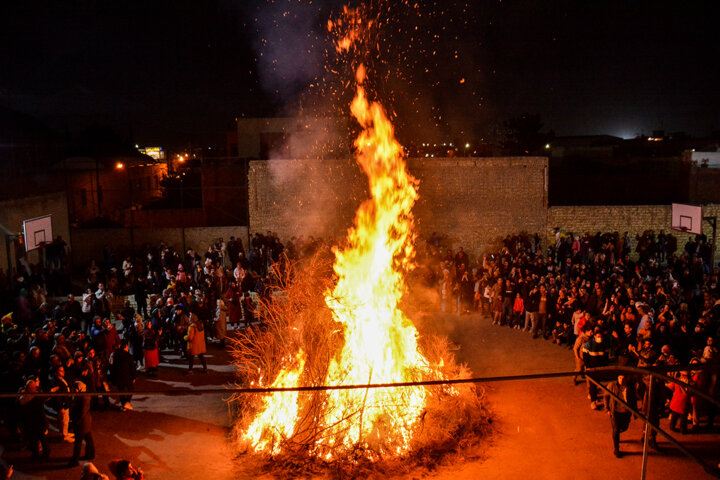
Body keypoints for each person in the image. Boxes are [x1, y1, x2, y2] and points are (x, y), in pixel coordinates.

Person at [18, 375, 50, 459]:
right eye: (32, 387)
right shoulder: (34, 397)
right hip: (34, 422)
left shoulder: (30, 397)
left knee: (39, 440)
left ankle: (41, 454)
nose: (34, 389)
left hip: (35, 422)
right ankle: (40, 454)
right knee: (37, 440)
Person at [606, 375, 637, 458]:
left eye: (623, 378)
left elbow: (633, 399)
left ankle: (617, 434)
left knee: (624, 427)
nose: (621, 380)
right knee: (616, 429)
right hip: (615, 411)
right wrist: (608, 409)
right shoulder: (612, 385)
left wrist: (635, 412)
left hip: (625, 412)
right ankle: (616, 448)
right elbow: (606, 396)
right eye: (620, 378)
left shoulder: (630, 388)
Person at [69, 380, 95, 467]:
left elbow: (81, 412)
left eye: (76, 388)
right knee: (88, 438)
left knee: (78, 442)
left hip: (81, 423)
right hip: (86, 422)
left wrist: (75, 422)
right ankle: (90, 454)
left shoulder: (83, 398)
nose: (74, 390)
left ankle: (75, 460)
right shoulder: (83, 396)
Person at [109, 340, 136, 411]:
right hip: (127, 377)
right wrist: (134, 377)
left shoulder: (115, 355)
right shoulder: (128, 356)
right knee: (131, 389)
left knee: (121, 391)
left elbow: (112, 366)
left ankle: (123, 404)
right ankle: (126, 403)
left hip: (117, 377)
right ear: (126, 347)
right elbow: (132, 367)